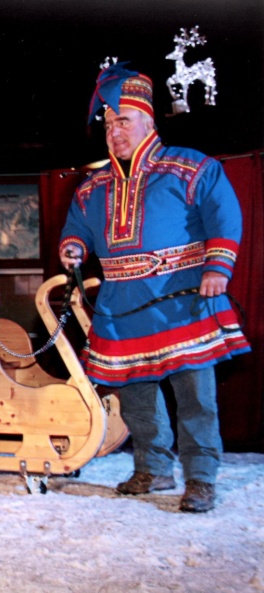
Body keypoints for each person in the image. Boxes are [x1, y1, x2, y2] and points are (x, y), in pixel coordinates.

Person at [59, 62, 250, 512]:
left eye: (123, 120)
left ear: (148, 121)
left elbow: (225, 214)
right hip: (121, 305)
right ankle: (153, 467)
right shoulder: (93, 187)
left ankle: (201, 477)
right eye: (108, 124)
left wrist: (217, 267)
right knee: (137, 396)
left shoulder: (190, 167)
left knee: (194, 395)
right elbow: (77, 227)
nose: (114, 132)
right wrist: (72, 248)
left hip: (183, 298)